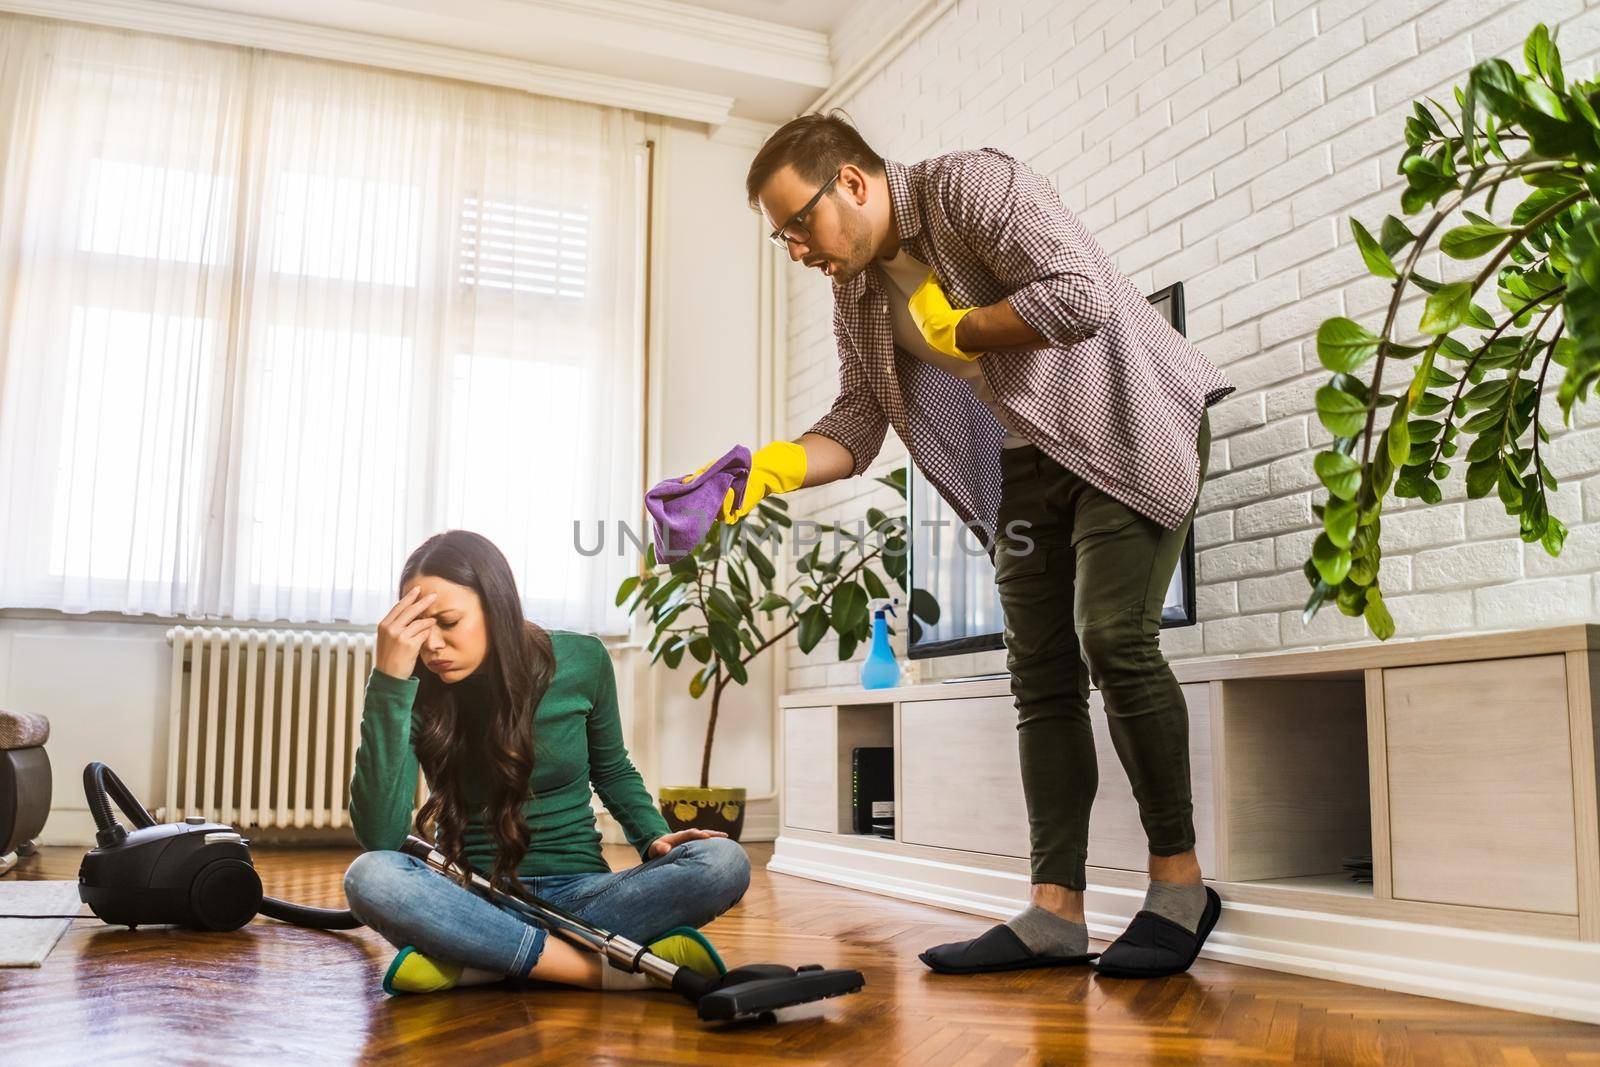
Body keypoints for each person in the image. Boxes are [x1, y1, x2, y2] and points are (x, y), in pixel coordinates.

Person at [682, 112, 1234, 979]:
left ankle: (1179, 884)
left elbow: (1078, 292)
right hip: (1026, 459)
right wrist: (770, 470)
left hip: (1123, 420)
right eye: (781, 235)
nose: (794, 248)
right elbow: (861, 420)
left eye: (798, 224)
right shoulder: (855, 290)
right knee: (1040, 672)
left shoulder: (969, 186)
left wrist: (964, 330)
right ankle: (1056, 911)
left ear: (853, 184)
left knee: (1113, 636)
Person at [342, 529, 749, 994]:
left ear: (497, 609)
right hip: (473, 893)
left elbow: (611, 768)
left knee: (723, 861)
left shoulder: (583, 660)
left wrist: (654, 838)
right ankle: (596, 969)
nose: (431, 644)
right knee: (370, 877)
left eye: (449, 622)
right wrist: (389, 681)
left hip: (584, 894)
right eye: (418, 626)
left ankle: (479, 957)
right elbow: (381, 836)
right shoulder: (410, 681)